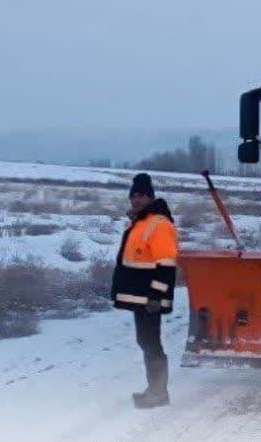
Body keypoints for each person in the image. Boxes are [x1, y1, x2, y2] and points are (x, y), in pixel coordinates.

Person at [110, 173, 179, 409]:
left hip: (150, 299)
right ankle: (155, 389)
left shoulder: (158, 225)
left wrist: (156, 296)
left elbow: (166, 265)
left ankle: (159, 393)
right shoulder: (139, 223)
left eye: (141, 196)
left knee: (151, 343)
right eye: (134, 196)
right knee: (146, 342)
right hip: (142, 298)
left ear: (150, 198)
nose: (136, 200)